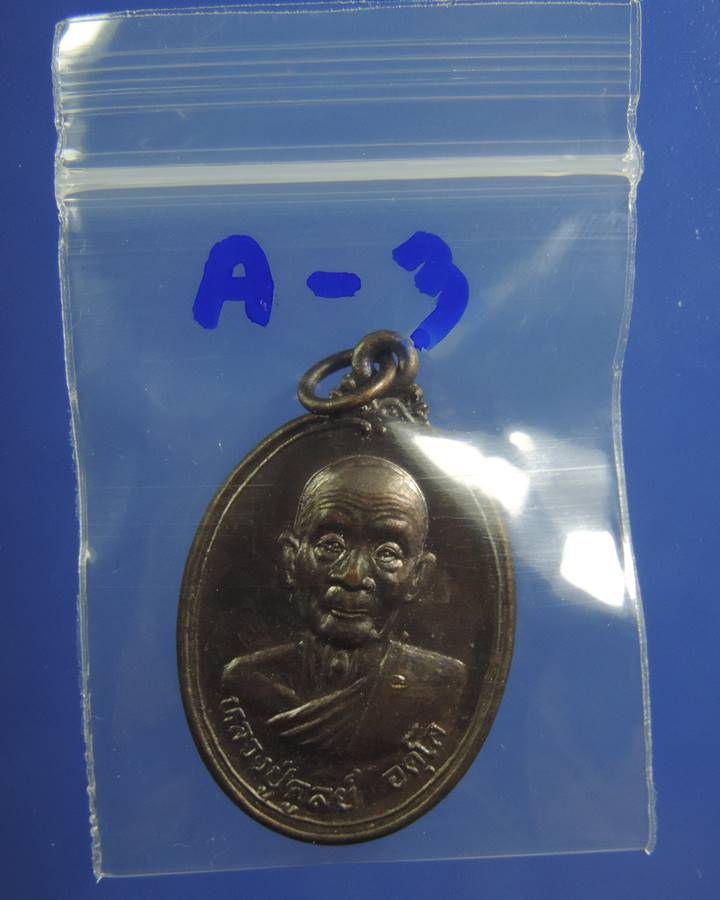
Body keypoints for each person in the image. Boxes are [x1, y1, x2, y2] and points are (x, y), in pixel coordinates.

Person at [222, 455, 466, 758]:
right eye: (331, 545)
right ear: (291, 559)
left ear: (417, 577)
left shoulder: (439, 685)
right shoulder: (248, 681)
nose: (353, 576)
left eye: (387, 553)